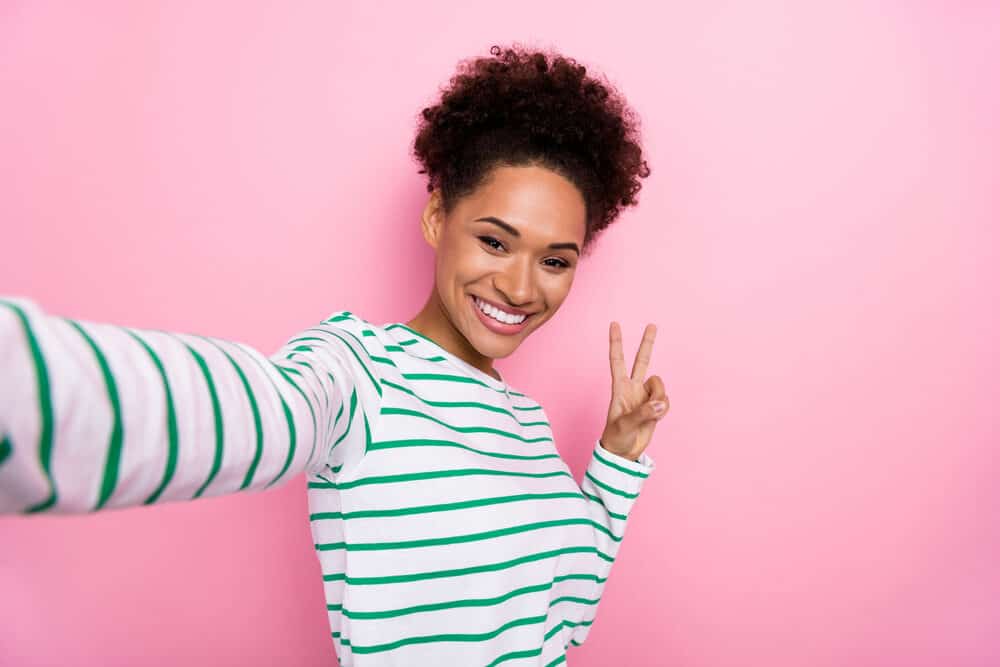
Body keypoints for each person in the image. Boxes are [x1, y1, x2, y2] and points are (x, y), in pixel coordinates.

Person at [0, 43, 669, 666]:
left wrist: (615, 458)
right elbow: (251, 408)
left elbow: (567, 616)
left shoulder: (526, 423)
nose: (522, 287)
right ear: (438, 217)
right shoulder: (359, 371)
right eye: (494, 241)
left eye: (555, 259)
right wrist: (27, 388)